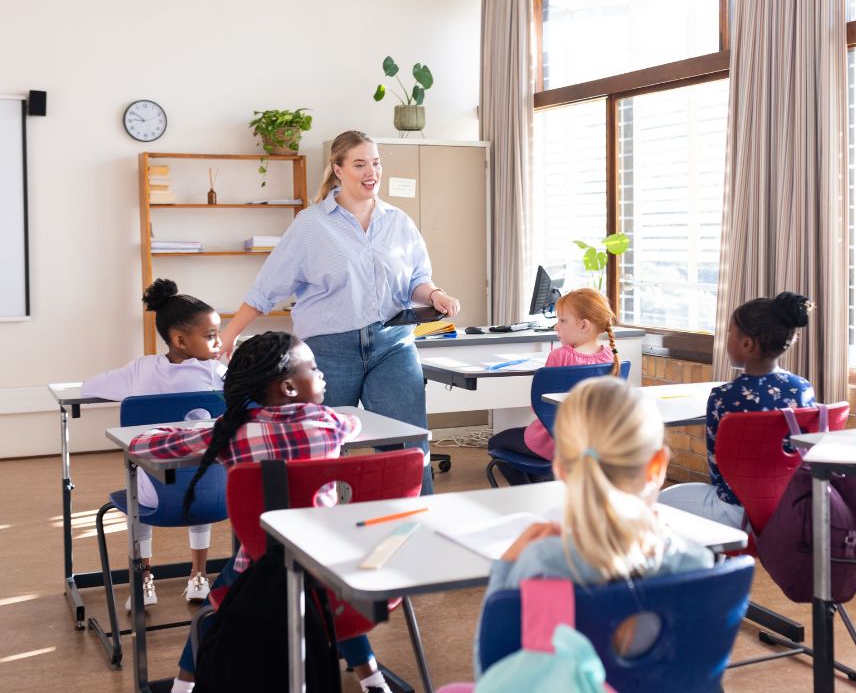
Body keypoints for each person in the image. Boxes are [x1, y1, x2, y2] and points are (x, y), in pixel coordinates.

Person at [130, 331, 390, 693]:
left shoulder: (230, 432)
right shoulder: (330, 425)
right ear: (287, 387)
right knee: (327, 603)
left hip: (255, 568)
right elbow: (354, 424)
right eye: (313, 368)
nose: (322, 374)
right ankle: (374, 682)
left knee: (212, 610)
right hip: (331, 563)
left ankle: (183, 685)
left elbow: (145, 444)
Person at [218, 130, 460, 494]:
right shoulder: (311, 225)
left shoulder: (398, 221)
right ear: (338, 169)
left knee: (408, 445)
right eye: (360, 164)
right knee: (319, 449)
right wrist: (230, 332)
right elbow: (267, 288)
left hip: (392, 344)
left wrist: (435, 294)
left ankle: (415, 525)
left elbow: (416, 280)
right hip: (329, 350)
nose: (371, 172)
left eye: (375, 163)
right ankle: (313, 534)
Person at [476, 376, 715, 674]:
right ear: (657, 466)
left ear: (560, 468)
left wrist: (505, 570)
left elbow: (494, 673)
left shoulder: (543, 564)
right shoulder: (695, 562)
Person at [80, 278, 225, 607]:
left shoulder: (140, 370)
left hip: (153, 495)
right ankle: (199, 576)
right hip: (215, 495)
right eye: (211, 335)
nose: (219, 342)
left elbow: (88, 386)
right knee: (200, 470)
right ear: (180, 340)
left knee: (139, 484)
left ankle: (144, 580)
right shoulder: (219, 374)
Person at [658, 292, 816, 528]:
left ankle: (702, 561)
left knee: (656, 504)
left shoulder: (724, 397)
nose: (727, 338)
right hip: (792, 509)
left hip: (736, 512)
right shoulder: (803, 388)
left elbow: (717, 468)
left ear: (746, 344)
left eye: (730, 332)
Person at [486, 288, 620, 484]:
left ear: (584, 325)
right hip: (589, 445)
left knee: (496, 443)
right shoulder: (610, 357)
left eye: (562, 321)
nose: (557, 327)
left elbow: (541, 408)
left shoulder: (561, 355)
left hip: (552, 443)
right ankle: (542, 488)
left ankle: (527, 491)